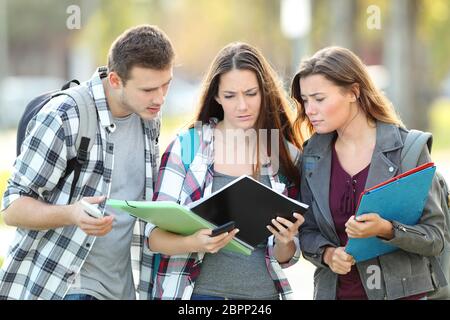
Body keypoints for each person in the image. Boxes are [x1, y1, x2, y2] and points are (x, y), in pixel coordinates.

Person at [0, 25, 174, 300]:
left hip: (126, 288)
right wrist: (71, 214)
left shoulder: (148, 116)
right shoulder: (65, 116)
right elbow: (12, 207)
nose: (160, 97)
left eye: (166, 84)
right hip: (66, 285)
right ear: (115, 80)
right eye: (149, 88)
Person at [147, 42, 304, 300]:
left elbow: (286, 258)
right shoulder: (187, 147)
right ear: (217, 96)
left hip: (262, 297)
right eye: (230, 96)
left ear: (265, 92)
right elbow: (152, 237)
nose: (242, 106)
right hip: (198, 296)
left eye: (251, 94)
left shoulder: (284, 154)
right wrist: (194, 243)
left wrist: (286, 241)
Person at [293, 46, 447, 300]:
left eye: (319, 99)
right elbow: (307, 231)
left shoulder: (408, 150)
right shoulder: (312, 155)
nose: (309, 110)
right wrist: (328, 254)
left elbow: (435, 238)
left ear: (354, 92)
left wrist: (386, 229)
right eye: (305, 100)